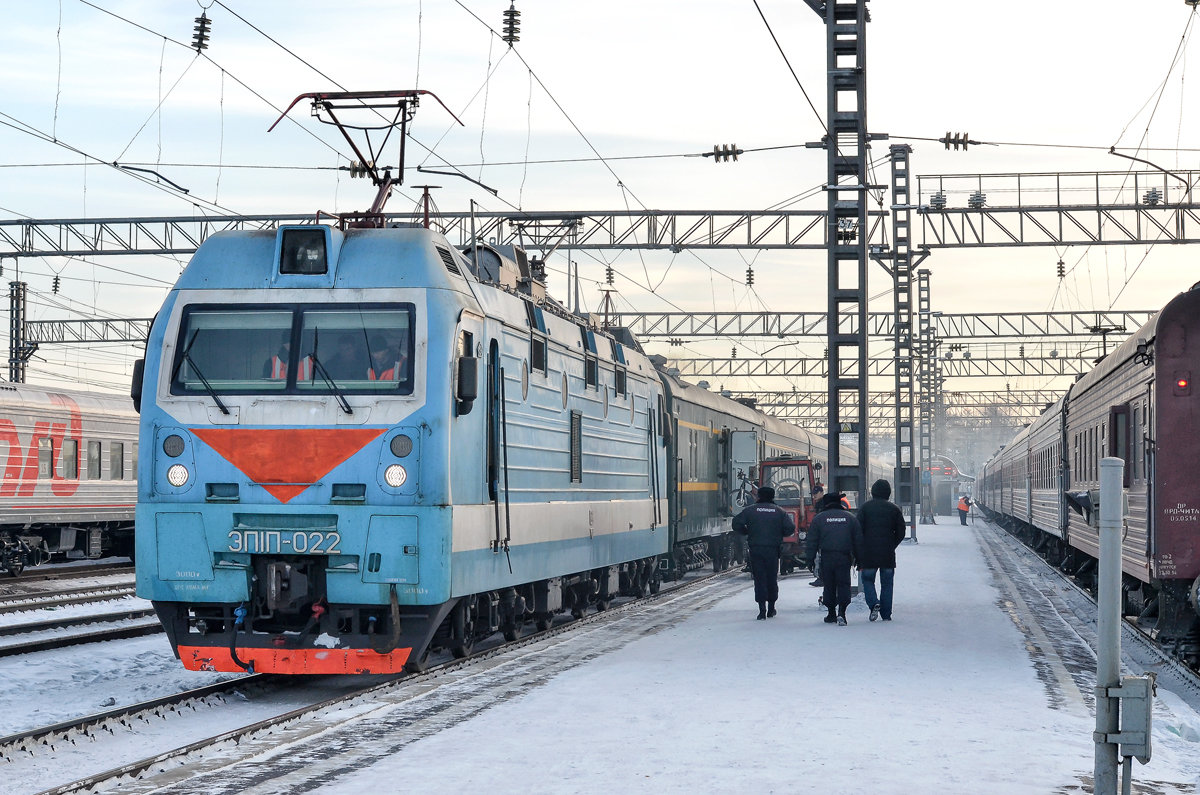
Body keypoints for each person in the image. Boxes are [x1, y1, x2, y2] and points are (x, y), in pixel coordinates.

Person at [732, 486, 795, 620]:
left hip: (756, 549)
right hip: (773, 549)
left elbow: (736, 523)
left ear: (759, 496)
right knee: (771, 578)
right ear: (772, 497)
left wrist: (746, 531)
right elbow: (790, 528)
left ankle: (762, 610)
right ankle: (771, 608)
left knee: (759, 578)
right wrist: (779, 534)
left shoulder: (750, 510)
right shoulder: (780, 511)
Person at [805, 492, 862, 626]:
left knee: (829, 585)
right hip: (844, 557)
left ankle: (831, 613)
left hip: (827, 557)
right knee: (843, 584)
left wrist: (810, 559)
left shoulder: (819, 519)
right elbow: (858, 541)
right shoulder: (850, 518)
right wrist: (859, 558)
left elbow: (812, 541)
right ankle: (842, 612)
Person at [856, 479, 907, 622]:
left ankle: (873, 603)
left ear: (873, 492)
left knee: (867, 579)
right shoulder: (894, 509)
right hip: (887, 554)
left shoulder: (865, 508)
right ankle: (886, 614)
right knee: (887, 583)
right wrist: (892, 544)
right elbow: (901, 532)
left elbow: (857, 531)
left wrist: (861, 547)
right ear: (889, 493)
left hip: (868, 554)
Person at [808, 485, 826, 587]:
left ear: (821, 492)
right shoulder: (819, 504)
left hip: (823, 534)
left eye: (816, 493)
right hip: (823, 534)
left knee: (821, 557)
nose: (814, 496)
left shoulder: (822, 504)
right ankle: (821, 577)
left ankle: (821, 578)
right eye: (813, 494)